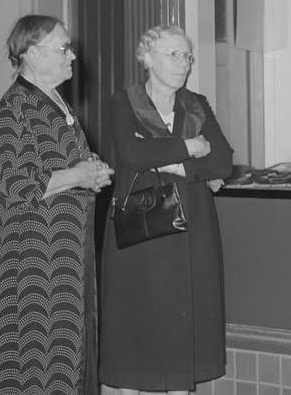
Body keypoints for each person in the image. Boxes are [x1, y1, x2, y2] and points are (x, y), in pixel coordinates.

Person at [99, 25, 234, 395]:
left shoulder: (197, 104)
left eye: (187, 56)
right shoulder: (123, 103)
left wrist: (173, 164)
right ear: (146, 58)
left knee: (181, 326)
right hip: (142, 224)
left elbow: (222, 162)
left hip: (192, 225)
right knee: (139, 320)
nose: (183, 63)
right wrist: (191, 148)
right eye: (173, 54)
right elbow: (132, 154)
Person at [0, 14, 114, 394]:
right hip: (32, 258)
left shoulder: (57, 103)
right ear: (32, 54)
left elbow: (62, 165)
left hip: (66, 254)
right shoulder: (15, 106)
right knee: (37, 360)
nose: (72, 55)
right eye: (63, 48)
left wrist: (92, 172)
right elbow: (13, 181)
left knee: (71, 353)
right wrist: (78, 175)